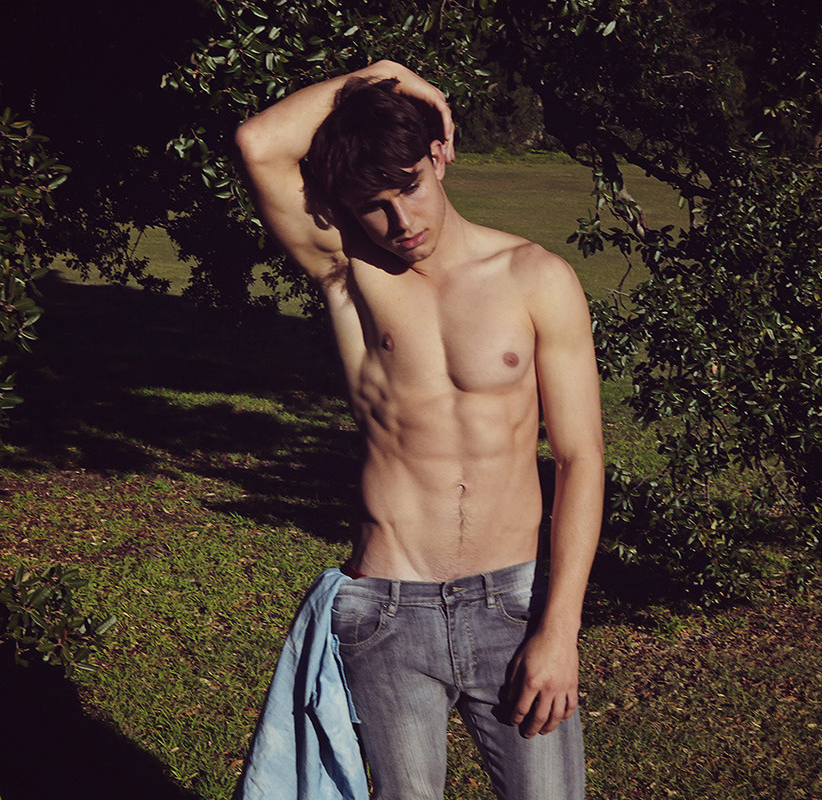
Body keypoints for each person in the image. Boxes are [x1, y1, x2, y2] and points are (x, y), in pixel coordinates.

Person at [235, 60, 604, 800]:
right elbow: (258, 144)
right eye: (373, 206)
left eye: (408, 188)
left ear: (440, 155)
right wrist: (378, 74)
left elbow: (579, 457)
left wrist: (559, 629)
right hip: (388, 609)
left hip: (513, 604)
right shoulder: (350, 270)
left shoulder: (537, 278)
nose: (401, 225)